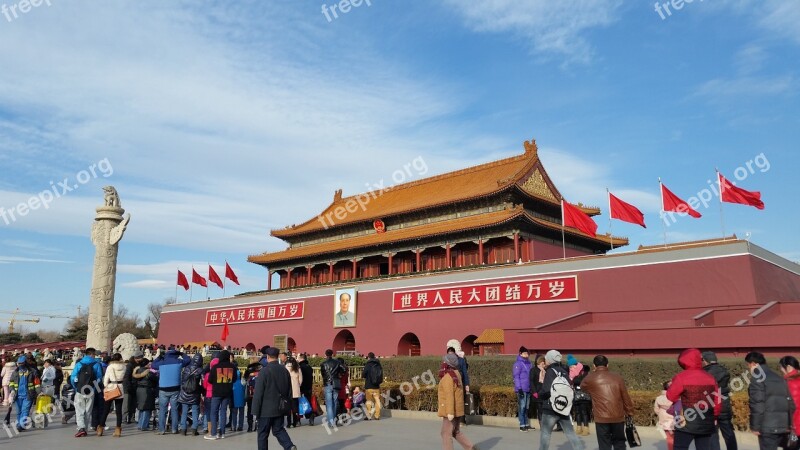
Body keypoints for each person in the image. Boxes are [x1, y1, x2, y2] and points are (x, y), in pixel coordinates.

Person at [666, 348, 721, 450]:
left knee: (680, 447)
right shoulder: (710, 378)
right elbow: (717, 400)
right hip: (706, 419)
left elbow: (671, 396)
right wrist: (715, 416)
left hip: (687, 419)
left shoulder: (681, 377)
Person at [580, 355, 634, 450]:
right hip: (618, 416)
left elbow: (582, 387)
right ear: (607, 365)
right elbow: (625, 396)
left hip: (601, 417)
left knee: (604, 444)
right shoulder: (617, 377)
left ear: (594, 366)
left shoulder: (590, 378)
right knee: (620, 443)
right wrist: (630, 412)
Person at [252, 347, 298, 450]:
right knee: (278, 430)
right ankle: (289, 446)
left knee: (263, 434)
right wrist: (288, 406)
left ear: (267, 357)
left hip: (265, 410)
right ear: (277, 357)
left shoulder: (264, 371)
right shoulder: (284, 370)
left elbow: (258, 393)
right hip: (280, 407)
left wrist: (255, 410)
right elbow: (289, 390)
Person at [746, 352, 794, 450]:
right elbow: (789, 402)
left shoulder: (757, 379)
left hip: (767, 427)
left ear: (753, 364)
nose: (748, 367)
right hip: (784, 425)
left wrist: (755, 426)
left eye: (748, 364)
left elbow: (757, 404)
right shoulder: (779, 378)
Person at [538, 350, 584, 450]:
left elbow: (546, 391)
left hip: (550, 408)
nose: (545, 360)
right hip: (564, 408)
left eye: (546, 358)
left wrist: (540, 392)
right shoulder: (564, 371)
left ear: (550, 359)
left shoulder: (550, 371)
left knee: (545, 434)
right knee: (571, 434)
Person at [437, 353, 477, 450]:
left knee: (446, 433)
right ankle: (470, 448)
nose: (443, 363)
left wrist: (450, 412)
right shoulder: (456, 374)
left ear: (448, 364)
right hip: (458, 409)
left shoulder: (448, 377)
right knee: (455, 431)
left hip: (450, 410)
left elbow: (449, 395)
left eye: (444, 361)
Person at [701, 351, 738, 450]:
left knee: (713, 434)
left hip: (711, 405)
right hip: (724, 405)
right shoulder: (724, 370)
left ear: (705, 361)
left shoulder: (704, 373)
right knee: (728, 432)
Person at [151, 346, 190, 435]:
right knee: (174, 409)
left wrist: (159, 357)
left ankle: (161, 429)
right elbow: (188, 360)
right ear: (176, 355)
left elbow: (153, 365)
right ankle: (174, 429)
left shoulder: (162, 362)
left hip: (163, 388)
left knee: (162, 410)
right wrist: (182, 354)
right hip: (175, 388)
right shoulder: (179, 362)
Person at [71, 347, 103, 438]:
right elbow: (99, 378)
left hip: (80, 390)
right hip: (91, 390)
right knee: (88, 411)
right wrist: (94, 388)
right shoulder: (96, 364)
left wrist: (76, 387)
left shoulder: (79, 363)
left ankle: (81, 428)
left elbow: (73, 377)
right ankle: (85, 429)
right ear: (92, 354)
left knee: (79, 410)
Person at [206, 349, 237, 440]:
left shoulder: (216, 367)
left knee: (214, 412)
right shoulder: (232, 367)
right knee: (223, 412)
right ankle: (222, 433)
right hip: (227, 392)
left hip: (217, 393)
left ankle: (213, 433)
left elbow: (210, 380)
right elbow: (234, 379)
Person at [9, 355, 39, 432]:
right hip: (17, 396)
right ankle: (20, 424)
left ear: (25, 363)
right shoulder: (15, 372)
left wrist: (39, 392)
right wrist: (12, 390)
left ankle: (20, 425)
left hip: (28, 395)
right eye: (19, 363)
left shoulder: (33, 372)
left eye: (21, 363)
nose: (20, 365)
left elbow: (37, 384)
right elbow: (11, 382)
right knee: (19, 412)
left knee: (25, 411)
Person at [99, 353, 126, 437]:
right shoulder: (124, 367)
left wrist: (106, 386)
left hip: (111, 387)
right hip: (120, 387)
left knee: (106, 409)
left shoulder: (110, 367)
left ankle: (100, 428)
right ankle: (118, 429)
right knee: (118, 410)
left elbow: (106, 378)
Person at [178, 353, 204, 436]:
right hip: (194, 393)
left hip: (184, 393)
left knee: (184, 411)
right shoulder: (200, 370)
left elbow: (182, 380)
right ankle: (194, 429)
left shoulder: (186, 368)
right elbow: (202, 383)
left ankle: (183, 429)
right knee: (195, 411)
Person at [320, 349, 344, 427]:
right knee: (335, 402)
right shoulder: (337, 362)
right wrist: (339, 375)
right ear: (332, 354)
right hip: (336, 383)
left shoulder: (323, 364)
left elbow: (323, 374)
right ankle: (333, 420)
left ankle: (331, 422)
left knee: (329, 404)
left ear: (325, 354)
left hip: (327, 384)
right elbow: (344, 369)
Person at [512, 346, 533, 432]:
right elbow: (516, 377)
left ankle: (527, 424)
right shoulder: (518, 364)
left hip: (528, 388)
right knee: (522, 407)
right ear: (520, 353)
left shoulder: (529, 363)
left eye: (527, 353)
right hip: (522, 388)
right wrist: (519, 388)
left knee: (527, 407)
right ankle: (522, 425)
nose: (526, 355)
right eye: (524, 353)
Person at [133, 358, 156, 431]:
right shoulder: (148, 372)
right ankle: (144, 425)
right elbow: (155, 379)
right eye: (148, 363)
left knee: (141, 408)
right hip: (146, 390)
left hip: (139, 390)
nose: (150, 365)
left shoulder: (137, 371)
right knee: (147, 408)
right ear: (146, 364)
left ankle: (140, 424)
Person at [780, 356, 800, 437]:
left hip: (794, 423)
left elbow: (791, 406)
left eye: (781, 367)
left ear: (788, 367)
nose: (781, 370)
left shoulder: (789, 382)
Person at [655, 381, 676, 450]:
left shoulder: (659, 398)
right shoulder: (676, 397)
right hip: (675, 419)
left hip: (664, 420)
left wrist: (661, 414)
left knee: (669, 438)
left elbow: (656, 409)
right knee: (677, 438)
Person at [363, 352, 383, 421]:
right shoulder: (378, 364)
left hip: (369, 386)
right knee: (377, 401)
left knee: (369, 401)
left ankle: (368, 416)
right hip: (376, 386)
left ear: (368, 357)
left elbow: (364, 374)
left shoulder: (368, 364)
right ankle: (377, 416)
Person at [124, 351, 143, 424]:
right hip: (129, 386)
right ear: (136, 358)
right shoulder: (130, 365)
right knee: (126, 404)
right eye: (140, 358)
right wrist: (128, 386)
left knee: (133, 404)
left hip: (135, 386)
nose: (141, 359)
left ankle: (131, 418)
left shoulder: (139, 364)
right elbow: (126, 377)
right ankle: (124, 419)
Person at [573, 364, 592, 436]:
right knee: (578, 412)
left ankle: (586, 429)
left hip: (584, 398)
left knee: (583, 413)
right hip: (578, 397)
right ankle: (579, 428)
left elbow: (580, 382)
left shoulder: (587, 376)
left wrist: (578, 385)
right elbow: (574, 381)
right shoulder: (578, 375)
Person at [245, 356, 263, 432]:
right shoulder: (261, 369)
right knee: (259, 409)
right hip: (259, 392)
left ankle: (250, 426)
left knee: (250, 409)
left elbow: (245, 379)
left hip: (250, 392)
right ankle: (258, 424)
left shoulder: (248, 370)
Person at [285, 357, 302, 428]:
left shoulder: (285, 368)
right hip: (295, 390)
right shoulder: (297, 368)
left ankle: (289, 423)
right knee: (295, 407)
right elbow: (300, 380)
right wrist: (298, 385)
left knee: (288, 408)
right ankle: (295, 422)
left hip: (287, 390)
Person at [298, 353, 314, 426]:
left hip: (301, 388)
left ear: (301, 358)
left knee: (299, 404)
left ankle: (298, 420)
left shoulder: (299, 367)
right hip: (309, 388)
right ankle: (311, 419)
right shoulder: (309, 367)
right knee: (308, 403)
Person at [530, 354, 546, 428]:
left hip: (545, 392)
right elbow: (531, 381)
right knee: (540, 409)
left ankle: (546, 424)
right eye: (541, 361)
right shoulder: (533, 370)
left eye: (544, 361)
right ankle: (541, 425)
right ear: (538, 362)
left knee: (546, 410)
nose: (543, 363)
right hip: (537, 392)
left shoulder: (546, 370)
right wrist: (534, 392)